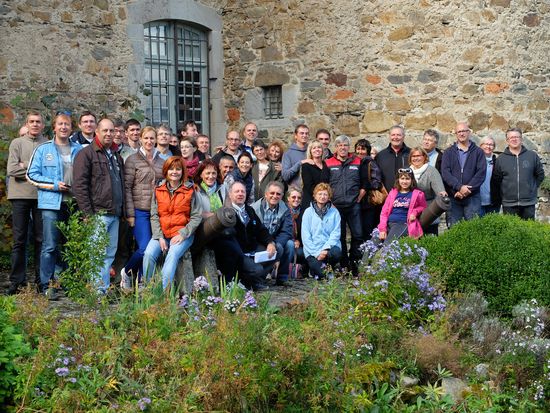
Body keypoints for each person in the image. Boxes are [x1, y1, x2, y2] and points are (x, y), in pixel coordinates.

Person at [27, 112, 82, 297]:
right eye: (60, 124)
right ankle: (46, 285)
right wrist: (53, 185)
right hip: (51, 204)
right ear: (54, 127)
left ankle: (67, 284)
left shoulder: (79, 150)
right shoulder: (43, 150)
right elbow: (31, 175)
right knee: (50, 246)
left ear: (71, 128)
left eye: (67, 124)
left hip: (73, 204)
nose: (64, 127)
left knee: (69, 246)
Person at [73, 118, 125, 295]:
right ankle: (97, 292)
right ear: (97, 132)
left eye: (112, 131)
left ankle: (102, 289)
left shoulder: (116, 156)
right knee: (96, 253)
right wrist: (87, 213)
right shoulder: (86, 154)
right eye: (105, 131)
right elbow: (79, 186)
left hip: (115, 213)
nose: (109, 134)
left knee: (109, 254)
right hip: (98, 213)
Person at [142, 156, 202, 290]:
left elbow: (196, 216)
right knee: (148, 254)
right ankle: (148, 290)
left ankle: (164, 293)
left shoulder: (190, 190)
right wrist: (159, 236)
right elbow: (154, 214)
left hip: (182, 234)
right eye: (171, 169)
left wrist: (183, 234)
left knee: (172, 255)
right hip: (162, 234)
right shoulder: (158, 189)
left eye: (178, 169)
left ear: (182, 172)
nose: (174, 172)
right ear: (166, 171)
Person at [7, 111, 48, 294]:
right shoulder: (17, 143)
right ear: (27, 123)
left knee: (41, 240)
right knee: (20, 240)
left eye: (38, 121)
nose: (35, 124)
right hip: (20, 197)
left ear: (43, 125)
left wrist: (26, 165)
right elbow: (12, 169)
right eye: (31, 121)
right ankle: (17, 281)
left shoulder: (47, 145)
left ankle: (41, 280)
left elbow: (50, 172)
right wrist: (35, 172)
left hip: (42, 197)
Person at [120, 126, 164, 291]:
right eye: (146, 138)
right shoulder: (132, 160)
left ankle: (142, 283)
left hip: (157, 211)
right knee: (144, 247)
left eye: (152, 138)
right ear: (141, 139)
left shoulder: (162, 161)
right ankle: (127, 271)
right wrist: (130, 214)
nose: (149, 141)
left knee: (154, 250)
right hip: (140, 210)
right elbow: (127, 188)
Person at [217, 181, 276, 291]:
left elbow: (261, 230)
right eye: (237, 191)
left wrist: (270, 242)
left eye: (242, 191)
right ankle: (251, 280)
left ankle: (257, 281)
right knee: (257, 269)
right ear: (230, 194)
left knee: (278, 250)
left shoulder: (249, 210)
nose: (240, 194)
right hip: (238, 254)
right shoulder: (226, 212)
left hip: (252, 250)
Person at [321, 135, 368, 275]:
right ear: (336, 147)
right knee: (339, 237)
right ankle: (343, 265)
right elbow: (324, 184)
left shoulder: (358, 161)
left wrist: (359, 196)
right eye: (340, 145)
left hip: (354, 205)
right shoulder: (328, 162)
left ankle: (355, 265)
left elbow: (365, 182)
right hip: (336, 207)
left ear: (349, 147)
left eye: (345, 145)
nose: (343, 147)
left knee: (358, 235)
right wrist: (329, 202)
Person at [492, 128, 545, 220]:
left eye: (517, 137)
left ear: (521, 139)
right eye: (511, 137)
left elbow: (540, 174)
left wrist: (531, 188)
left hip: (528, 203)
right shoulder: (501, 159)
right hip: (509, 204)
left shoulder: (532, 156)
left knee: (529, 230)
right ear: (507, 141)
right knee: (511, 232)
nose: (514, 139)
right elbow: (496, 180)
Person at [441, 122, 486, 226]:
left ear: (469, 132)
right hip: (454, 196)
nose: (462, 134)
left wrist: (467, 190)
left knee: (473, 228)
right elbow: (445, 173)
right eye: (459, 131)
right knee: (453, 229)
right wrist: (459, 187)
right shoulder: (448, 152)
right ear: (456, 134)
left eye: (464, 131)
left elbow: (481, 173)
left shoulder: (478, 152)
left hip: (472, 197)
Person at [251, 181, 294, 286]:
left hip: (277, 240)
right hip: (259, 241)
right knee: (276, 249)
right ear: (266, 194)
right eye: (272, 193)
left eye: (278, 194)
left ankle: (282, 277)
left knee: (290, 244)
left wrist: (275, 244)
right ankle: (260, 277)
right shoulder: (253, 208)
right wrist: (268, 243)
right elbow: (252, 231)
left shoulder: (285, 209)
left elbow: (287, 231)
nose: (275, 196)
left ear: (282, 196)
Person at [301, 183, 342, 279]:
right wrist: (316, 253)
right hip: (312, 250)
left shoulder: (334, 212)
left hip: (328, 249)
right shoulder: (308, 212)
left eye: (325, 194)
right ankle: (317, 269)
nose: (322, 197)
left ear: (329, 197)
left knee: (336, 253)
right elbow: (306, 236)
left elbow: (336, 233)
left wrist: (325, 249)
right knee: (323, 276)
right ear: (315, 196)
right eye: (320, 194)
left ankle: (329, 265)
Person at [378, 169, 427, 243]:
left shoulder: (418, 194)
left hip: (402, 224)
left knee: (387, 245)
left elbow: (423, 207)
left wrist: (415, 212)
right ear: (398, 180)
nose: (404, 181)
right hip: (388, 223)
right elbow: (384, 212)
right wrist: (382, 229)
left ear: (412, 180)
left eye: (407, 179)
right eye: (402, 178)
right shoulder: (393, 193)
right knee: (371, 246)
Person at [408, 147, 447, 235]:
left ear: (424, 157)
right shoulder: (407, 171)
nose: (416, 158)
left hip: (428, 211)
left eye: (418, 155)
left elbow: (439, 190)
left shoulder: (431, 171)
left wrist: (442, 194)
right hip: (411, 212)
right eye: (413, 156)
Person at [355, 139, 383, 240]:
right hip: (356, 201)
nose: (360, 151)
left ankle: (368, 253)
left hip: (368, 201)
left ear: (367, 150)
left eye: (363, 149)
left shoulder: (370, 163)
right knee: (358, 230)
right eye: (358, 149)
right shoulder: (355, 162)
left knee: (368, 229)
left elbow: (377, 182)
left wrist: (364, 186)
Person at [376, 125, 411, 192]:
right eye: (393, 135)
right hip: (386, 196)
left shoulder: (411, 154)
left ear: (403, 137)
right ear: (389, 136)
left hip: (408, 196)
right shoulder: (380, 155)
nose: (395, 137)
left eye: (398, 135)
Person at [286, 187, 307, 277]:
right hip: (287, 241)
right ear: (288, 198)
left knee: (304, 252)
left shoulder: (304, 212)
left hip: (300, 243)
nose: (296, 199)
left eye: (299, 198)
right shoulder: (283, 210)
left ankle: (300, 271)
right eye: (293, 197)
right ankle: (284, 270)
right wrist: (293, 240)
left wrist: (298, 240)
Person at [301, 140, 327, 211]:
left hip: (325, 200)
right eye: (314, 148)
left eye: (319, 147)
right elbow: (308, 185)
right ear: (310, 151)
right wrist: (320, 197)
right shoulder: (306, 166)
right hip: (310, 200)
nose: (317, 150)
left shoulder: (326, 165)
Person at [282, 124, 310, 188]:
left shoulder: (312, 151)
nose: (304, 135)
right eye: (302, 133)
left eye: (306, 133)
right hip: (295, 192)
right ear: (295, 136)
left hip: (311, 191)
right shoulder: (288, 154)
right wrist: (300, 163)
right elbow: (285, 176)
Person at [479, 136, 501, 216]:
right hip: (478, 201)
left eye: (491, 145)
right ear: (481, 146)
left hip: (493, 201)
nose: (488, 147)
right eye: (486, 144)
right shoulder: (475, 161)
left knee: (492, 227)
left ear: (494, 147)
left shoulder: (497, 162)